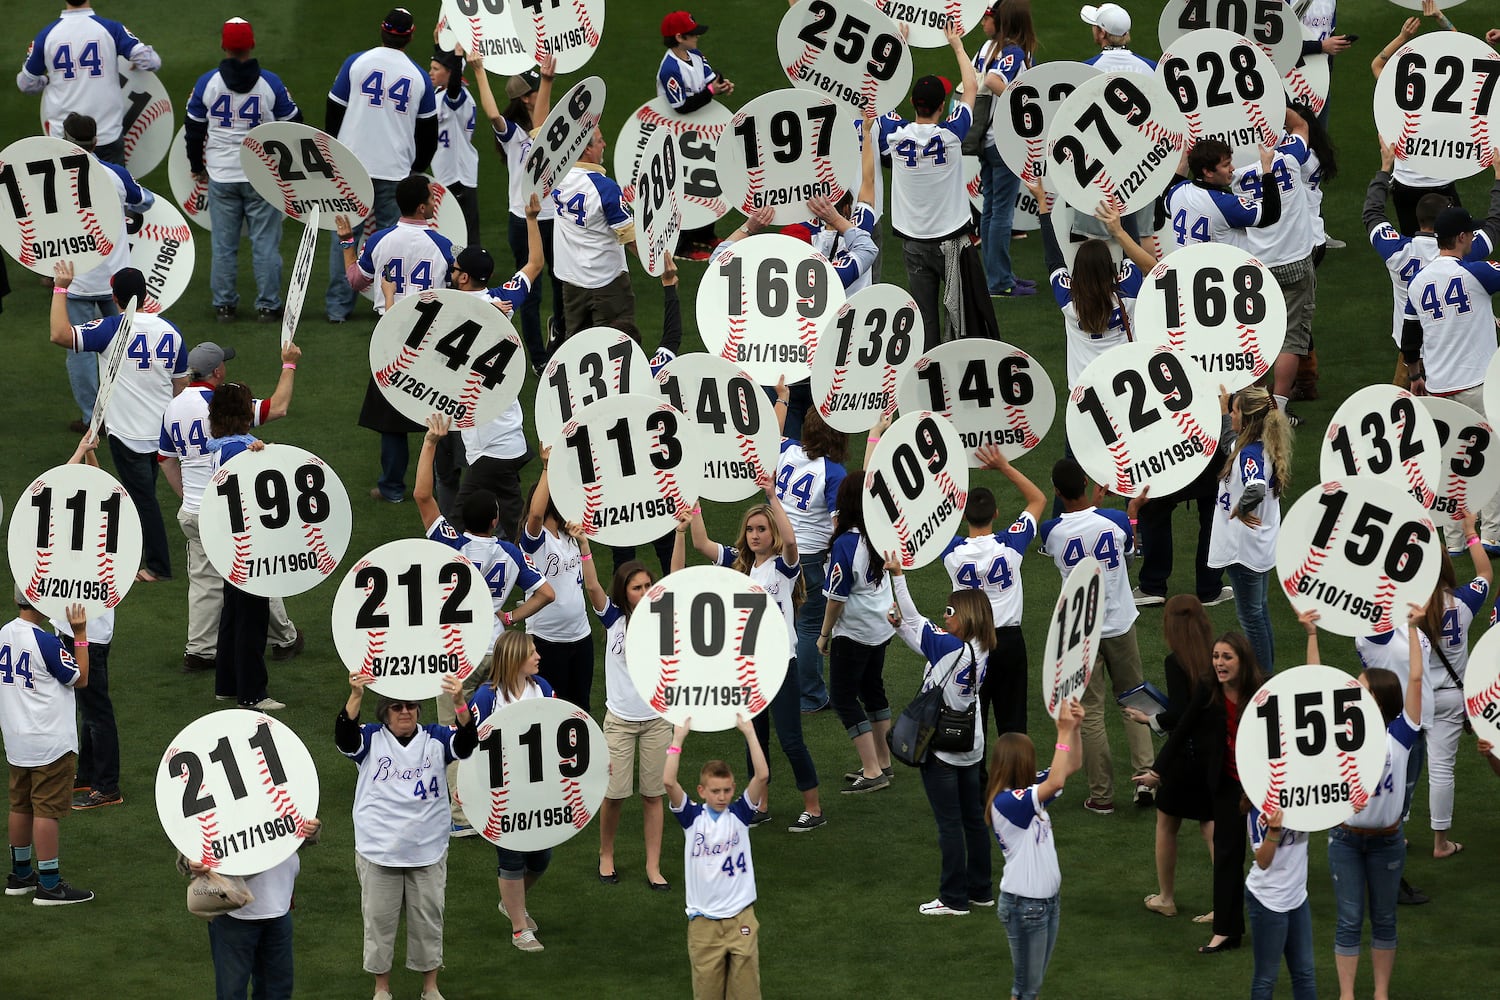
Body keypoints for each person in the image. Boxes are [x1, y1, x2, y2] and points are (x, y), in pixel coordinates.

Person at [415, 413, 554, 835]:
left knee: (456, 730)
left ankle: (460, 817)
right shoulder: (511, 554)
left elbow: (423, 495)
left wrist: (430, 443)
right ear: (495, 521)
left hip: (456, 654)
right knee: (498, 727)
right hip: (496, 650)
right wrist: (510, 615)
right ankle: (505, 798)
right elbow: (547, 593)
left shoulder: (448, 542)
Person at [676, 485, 825, 834]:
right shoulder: (740, 566)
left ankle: (814, 808)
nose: (755, 535)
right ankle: (760, 805)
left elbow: (791, 544)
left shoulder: (783, 569)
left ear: (772, 532)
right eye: (751, 529)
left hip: (782, 665)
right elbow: (701, 544)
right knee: (754, 738)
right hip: (749, 669)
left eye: (762, 529)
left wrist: (773, 496)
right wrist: (695, 505)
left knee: (791, 740)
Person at [160, 342, 303, 675]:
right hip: (229, 511)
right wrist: (289, 365)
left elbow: (165, 459)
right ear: (218, 372)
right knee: (255, 570)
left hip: (194, 510)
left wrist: (188, 498)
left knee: (204, 581)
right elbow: (277, 407)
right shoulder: (221, 403)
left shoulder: (173, 406)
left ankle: (199, 651)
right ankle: (284, 638)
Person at [1308, 604, 1426, 1000]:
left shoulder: (1402, 733)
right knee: (1348, 920)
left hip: (1387, 841)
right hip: (1344, 838)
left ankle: (1380, 995)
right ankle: (1347, 996)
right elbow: (1314, 685)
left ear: (1380, 698)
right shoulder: (1341, 730)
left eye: (1363, 688)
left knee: (1384, 919)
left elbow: (1414, 676)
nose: (1353, 693)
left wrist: (1411, 628)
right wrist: (1311, 636)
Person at [337, 671, 474, 1000]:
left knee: (429, 921)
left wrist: (459, 703)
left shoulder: (436, 738)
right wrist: (356, 695)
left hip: (427, 850)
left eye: (411, 706)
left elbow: (468, 743)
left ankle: (430, 987)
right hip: (379, 850)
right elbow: (344, 737)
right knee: (379, 922)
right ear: (385, 712)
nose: (405, 712)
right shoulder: (371, 738)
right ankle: (382, 988)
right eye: (397, 707)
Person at [49, 262, 186, 584]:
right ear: (146, 293)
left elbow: (59, 334)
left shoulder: (110, 328)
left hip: (129, 433)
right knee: (147, 493)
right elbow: (180, 386)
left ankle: (158, 566)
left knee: (143, 499)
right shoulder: (170, 331)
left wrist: (60, 288)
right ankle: (146, 551)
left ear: (115, 296)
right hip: (163, 431)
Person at [1135, 630, 1266, 953]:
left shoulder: (1264, 690)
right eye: (1216, 656)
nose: (1219, 663)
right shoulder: (1209, 687)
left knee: (1276, 856)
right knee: (1226, 854)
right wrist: (1156, 771)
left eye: (1226, 657)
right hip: (1227, 784)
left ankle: (1280, 922)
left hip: (1264, 782)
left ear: (1242, 661)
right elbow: (1183, 728)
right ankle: (1226, 931)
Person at [1037, 458, 1154, 813]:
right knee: (1134, 701)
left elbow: (1072, 534)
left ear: (1057, 492)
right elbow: (1128, 558)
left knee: (1090, 714)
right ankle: (1146, 778)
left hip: (1081, 634)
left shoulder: (1050, 531)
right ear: (1088, 482)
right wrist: (1131, 513)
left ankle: (1101, 796)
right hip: (1119, 624)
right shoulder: (1116, 521)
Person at [335, 174, 456, 504]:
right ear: (421, 206)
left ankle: (391, 489)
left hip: (389, 336)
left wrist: (347, 241)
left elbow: (355, 280)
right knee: (443, 410)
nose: (435, 202)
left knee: (392, 420)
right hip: (431, 337)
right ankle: (447, 483)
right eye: (431, 198)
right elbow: (461, 289)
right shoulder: (445, 246)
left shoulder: (379, 241)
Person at [888, 555, 995, 915]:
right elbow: (921, 639)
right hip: (972, 743)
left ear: (966, 617)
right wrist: (901, 627)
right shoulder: (981, 648)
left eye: (950, 611)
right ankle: (981, 889)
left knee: (949, 824)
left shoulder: (951, 647)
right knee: (973, 820)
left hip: (944, 750)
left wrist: (898, 577)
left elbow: (919, 622)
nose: (944, 616)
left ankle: (953, 898)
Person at [186, 17, 303, 324]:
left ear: (223, 46)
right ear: (251, 45)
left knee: (224, 246)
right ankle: (268, 305)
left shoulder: (207, 83)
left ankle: (224, 305)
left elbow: (193, 130)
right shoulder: (270, 83)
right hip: (261, 175)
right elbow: (295, 121)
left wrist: (197, 166)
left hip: (222, 175)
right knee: (265, 244)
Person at [324, 7, 438, 323]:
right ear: (411, 35)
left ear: (382, 30)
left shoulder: (356, 62)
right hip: (396, 171)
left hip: (352, 166)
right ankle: (390, 307)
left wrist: (334, 152)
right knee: (393, 241)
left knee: (346, 236)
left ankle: (337, 308)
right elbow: (429, 132)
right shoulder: (418, 76)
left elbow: (334, 109)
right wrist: (417, 167)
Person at [575, 534, 674, 890]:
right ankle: (606, 855)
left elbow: (675, 574)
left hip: (657, 721)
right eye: (637, 587)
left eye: (649, 585)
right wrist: (585, 548)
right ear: (624, 591)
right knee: (614, 795)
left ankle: (653, 866)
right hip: (619, 722)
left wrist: (679, 534)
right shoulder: (613, 618)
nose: (646, 591)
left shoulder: (662, 613)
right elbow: (591, 587)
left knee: (652, 795)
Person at [442, 206, 545, 535]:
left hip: (490, 439)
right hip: (506, 428)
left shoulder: (451, 312)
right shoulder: (503, 301)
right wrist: (531, 219)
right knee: (509, 516)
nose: (451, 271)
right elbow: (535, 264)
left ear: (465, 277)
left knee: (460, 524)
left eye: (456, 269)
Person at [1401, 205, 1500, 546]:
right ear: (1460, 238)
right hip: (1477, 385)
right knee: (1489, 459)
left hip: (1438, 390)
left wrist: (1415, 375)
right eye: (1470, 233)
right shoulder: (1477, 273)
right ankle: (1491, 535)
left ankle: (1456, 539)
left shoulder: (1418, 282)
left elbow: (1409, 339)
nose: (1473, 237)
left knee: (1452, 466)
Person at [1365, 138, 1500, 387]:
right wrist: (1499, 176)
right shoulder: (1465, 253)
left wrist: (1385, 169)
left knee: (1406, 419)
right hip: (1453, 354)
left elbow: (1372, 214)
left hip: (1410, 353)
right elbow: (1494, 224)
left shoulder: (1397, 251)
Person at [51, 112, 153, 434]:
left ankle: (90, 419)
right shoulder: (115, 174)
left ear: (66, 140)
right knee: (127, 345)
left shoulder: (51, 176)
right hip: (116, 279)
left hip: (74, 277)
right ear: (96, 141)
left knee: (79, 352)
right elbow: (144, 202)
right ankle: (127, 413)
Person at [878, 23, 979, 346]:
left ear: (912, 101)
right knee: (960, 317)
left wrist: (900, 50)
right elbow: (972, 87)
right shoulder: (951, 135)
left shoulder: (894, 136)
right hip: (951, 242)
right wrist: (958, 46)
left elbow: (880, 94)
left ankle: (928, 381)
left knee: (925, 318)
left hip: (913, 242)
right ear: (942, 106)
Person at [940, 445, 1046, 738]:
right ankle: (1017, 781)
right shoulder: (1010, 544)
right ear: (997, 513)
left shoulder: (951, 551)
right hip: (1009, 641)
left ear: (963, 517)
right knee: (1013, 724)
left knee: (974, 722)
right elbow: (1037, 499)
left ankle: (977, 782)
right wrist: (1003, 465)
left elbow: (928, 524)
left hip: (971, 642)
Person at [663, 714, 769, 1000]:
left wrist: (749, 732)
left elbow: (762, 776)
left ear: (733, 789)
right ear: (702, 791)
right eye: (715, 791)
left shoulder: (740, 815)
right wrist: (677, 740)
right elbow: (668, 782)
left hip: (740, 919)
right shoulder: (692, 819)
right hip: (703, 925)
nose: (721, 796)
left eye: (726, 790)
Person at [985, 700, 1085, 1000]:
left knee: (1030, 987)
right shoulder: (1008, 803)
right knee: (1026, 990)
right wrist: (1062, 731)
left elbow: (1072, 766)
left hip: (1043, 903)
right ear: (1021, 762)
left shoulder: (1026, 795)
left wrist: (1075, 730)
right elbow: (1055, 780)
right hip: (1026, 907)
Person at [469, 49, 561, 369]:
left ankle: (560, 341)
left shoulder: (550, 126)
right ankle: (538, 358)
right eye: (537, 90)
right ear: (525, 98)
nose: (543, 95)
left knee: (563, 285)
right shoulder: (512, 134)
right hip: (524, 221)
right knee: (531, 292)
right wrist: (479, 70)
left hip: (555, 217)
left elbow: (544, 127)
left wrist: (546, 81)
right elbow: (493, 114)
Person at [1125, 597, 1215, 921]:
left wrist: (1146, 719)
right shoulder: (1217, 654)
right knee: (1210, 826)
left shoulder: (1176, 661)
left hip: (1186, 755)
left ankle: (1166, 898)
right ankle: (1226, 901)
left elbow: (1179, 714)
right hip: (1215, 754)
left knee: (1166, 823)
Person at [2, 593, 92, 905]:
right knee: (45, 809)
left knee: (20, 804)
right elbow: (80, 678)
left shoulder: (3, 633)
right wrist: (80, 634)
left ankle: (21, 875)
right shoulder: (45, 643)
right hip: (49, 742)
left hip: (16, 739)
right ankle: (50, 885)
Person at [468, 631, 555, 951]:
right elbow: (470, 745)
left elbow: (557, 731)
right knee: (511, 857)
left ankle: (511, 904)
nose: (538, 656)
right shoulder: (487, 698)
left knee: (542, 857)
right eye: (532, 652)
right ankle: (520, 928)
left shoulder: (542, 688)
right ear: (515, 658)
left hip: (538, 787)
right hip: (500, 793)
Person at [1230, 110, 1318, 420]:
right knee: (1291, 338)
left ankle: (1253, 406)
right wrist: (1271, 102)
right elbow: (1301, 125)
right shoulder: (1290, 157)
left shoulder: (1233, 172)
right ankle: (1278, 409)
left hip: (1256, 268)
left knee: (1256, 338)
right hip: (1294, 260)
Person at [1026, 180, 1153, 390]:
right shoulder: (1128, 291)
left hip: (1083, 390)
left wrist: (1042, 202)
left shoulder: (1068, 300)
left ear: (1077, 269)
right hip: (1126, 382)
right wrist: (1123, 201)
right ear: (1110, 268)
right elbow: (1133, 249)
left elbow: (1053, 259)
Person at [205, 381, 286, 711]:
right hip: (248, 543)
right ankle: (252, 693)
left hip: (229, 541)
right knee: (251, 616)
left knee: (234, 613)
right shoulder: (240, 450)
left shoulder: (221, 446)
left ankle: (227, 683)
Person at [816, 472, 896, 793]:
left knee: (844, 698)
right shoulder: (880, 532)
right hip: (881, 627)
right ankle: (884, 761)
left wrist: (824, 634)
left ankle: (872, 769)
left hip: (856, 632)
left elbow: (836, 598)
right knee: (872, 690)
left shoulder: (847, 543)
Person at [185, 818, 323, 1000]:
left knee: (278, 992)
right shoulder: (215, 793)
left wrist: (312, 830)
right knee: (232, 994)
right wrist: (189, 861)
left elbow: (301, 830)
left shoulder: (282, 791)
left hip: (279, 908)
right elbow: (186, 838)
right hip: (233, 914)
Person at [1208, 385, 1292, 675]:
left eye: (1234, 410)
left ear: (1246, 419)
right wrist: (1222, 410)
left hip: (1243, 549)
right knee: (1260, 612)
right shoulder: (1259, 444)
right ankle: (1267, 673)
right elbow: (1229, 442)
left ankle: (1263, 678)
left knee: (1251, 617)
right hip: (1259, 545)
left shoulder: (1249, 456)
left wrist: (1241, 508)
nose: (1231, 414)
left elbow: (1254, 487)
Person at [1421, 518, 1491, 860]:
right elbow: (1486, 575)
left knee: (1401, 764)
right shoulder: (1462, 601)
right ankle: (1440, 843)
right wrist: (1470, 533)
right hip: (1451, 697)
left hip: (1413, 697)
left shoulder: (1405, 609)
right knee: (1441, 770)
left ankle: (1394, 826)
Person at [17, 0, 161, 165]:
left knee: (68, 189)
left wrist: (47, 79)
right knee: (112, 189)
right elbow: (152, 62)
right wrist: (137, 61)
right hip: (106, 133)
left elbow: (26, 83)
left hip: (63, 136)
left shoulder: (47, 35)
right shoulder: (111, 28)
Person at [773, 408, 847, 714]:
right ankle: (811, 696)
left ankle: (773, 683)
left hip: (775, 551)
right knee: (808, 628)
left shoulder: (786, 448)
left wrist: (782, 400)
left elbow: (769, 434)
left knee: (780, 620)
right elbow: (838, 527)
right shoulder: (833, 473)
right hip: (809, 559)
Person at [1370, 9, 1461, 235]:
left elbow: (1377, 65)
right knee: (1454, 245)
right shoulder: (1453, 95)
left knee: (1415, 242)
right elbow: (1464, 48)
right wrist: (1441, 19)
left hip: (1405, 184)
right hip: (1442, 184)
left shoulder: (1400, 91)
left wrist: (1403, 37)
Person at [519, 447, 593, 710]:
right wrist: (547, 469)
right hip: (547, 640)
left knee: (581, 707)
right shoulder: (534, 542)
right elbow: (536, 515)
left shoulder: (571, 534)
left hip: (581, 635)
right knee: (554, 710)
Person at [972, 1, 1036, 297]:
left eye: (989, 16)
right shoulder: (1013, 51)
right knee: (1001, 214)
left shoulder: (986, 48)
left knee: (990, 211)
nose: (985, 21)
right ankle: (1000, 281)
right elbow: (993, 81)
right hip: (1002, 139)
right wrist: (1022, 101)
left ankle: (998, 275)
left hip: (984, 136)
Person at [658, 10, 733, 261]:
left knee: (708, 180)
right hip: (678, 136)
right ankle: (682, 244)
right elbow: (682, 106)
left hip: (700, 130)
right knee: (685, 187)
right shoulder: (669, 68)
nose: (697, 38)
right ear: (679, 37)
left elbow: (710, 80)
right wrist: (711, 91)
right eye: (693, 34)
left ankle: (705, 232)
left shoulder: (696, 55)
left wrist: (721, 86)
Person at [551, 127, 639, 341]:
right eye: (600, 141)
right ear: (587, 149)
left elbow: (538, 133)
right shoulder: (605, 188)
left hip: (571, 281)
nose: (604, 145)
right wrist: (660, 266)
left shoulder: (554, 176)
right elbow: (629, 237)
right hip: (607, 281)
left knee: (577, 347)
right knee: (616, 346)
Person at [1245, 804, 1315, 1000]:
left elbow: (1329, 810)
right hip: (1267, 900)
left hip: (1298, 896)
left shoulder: (1306, 796)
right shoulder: (1257, 811)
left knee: (1305, 974)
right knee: (1266, 978)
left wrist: (1350, 807)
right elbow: (1263, 861)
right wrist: (1274, 830)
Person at [1164, 140, 1280, 251]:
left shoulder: (1177, 191)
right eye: (1226, 165)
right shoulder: (1223, 204)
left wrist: (1184, 163)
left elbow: (1164, 207)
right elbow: (1271, 214)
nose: (1232, 168)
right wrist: (1266, 168)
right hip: (1222, 269)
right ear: (1208, 172)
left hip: (1185, 267)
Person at [428, 46, 479, 247]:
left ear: (450, 72)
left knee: (466, 236)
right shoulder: (440, 94)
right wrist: (439, 42)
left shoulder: (457, 97)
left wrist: (458, 58)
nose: (430, 72)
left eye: (436, 68)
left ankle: (475, 275)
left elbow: (455, 89)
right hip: (445, 173)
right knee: (448, 231)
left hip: (458, 176)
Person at [1081, 3, 1155, 74]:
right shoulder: (1154, 68)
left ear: (1102, 33)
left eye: (1094, 25)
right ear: (1126, 33)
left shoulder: (1084, 69)